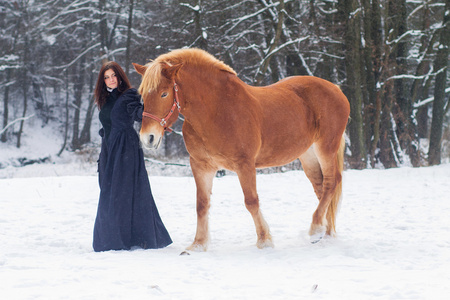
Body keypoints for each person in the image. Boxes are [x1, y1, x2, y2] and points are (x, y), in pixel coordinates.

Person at [92, 61, 172, 252]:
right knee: (109, 191)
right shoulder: (105, 99)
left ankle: (120, 240)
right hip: (109, 149)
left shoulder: (129, 95)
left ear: (120, 76)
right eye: (106, 77)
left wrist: (160, 121)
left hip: (126, 149)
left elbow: (140, 114)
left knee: (122, 193)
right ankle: (118, 236)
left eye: (114, 75)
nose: (111, 80)